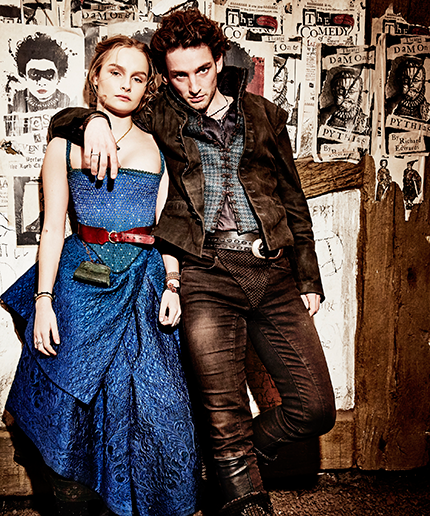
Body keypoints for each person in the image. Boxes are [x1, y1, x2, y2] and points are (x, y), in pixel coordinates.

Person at [49, 10, 336, 516]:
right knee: (223, 416)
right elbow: (73, 117)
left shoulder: (266, 115)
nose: (193, 85)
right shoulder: (160, 115)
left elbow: (293, 199)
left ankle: (222, 463)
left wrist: (308, 276)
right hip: (204, 273)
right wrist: (90, 121)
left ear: (219, 61)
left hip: (273, 272)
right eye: (179, 75)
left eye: (202, 70)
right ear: (166, 76)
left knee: (314, 408)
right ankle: (241, 490)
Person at [1, 35, 200, 516]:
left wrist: (172, 284)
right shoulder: (63, 144)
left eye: (138, 77)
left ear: (148, 87)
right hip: (81, 278)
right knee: (71, 407)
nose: (126, 84)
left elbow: (166, 229)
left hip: (144, 283)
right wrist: (44, 301)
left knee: (158, 406)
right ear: (95, 77)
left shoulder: (159, 147)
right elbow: (52, 228)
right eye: (115, 72)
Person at [9, 32, 70, 113]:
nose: (42, 82)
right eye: (34, 74)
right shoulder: (15, 99)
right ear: (24, 75)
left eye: (49, 75)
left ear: (59, 76)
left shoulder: (67, 101)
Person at [319, 68, 370, 135]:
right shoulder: (322, 116)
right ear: (334, 92)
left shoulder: (365, 121)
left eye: (351, 91)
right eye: (341, 90)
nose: (346, 95)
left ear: (359, 93)